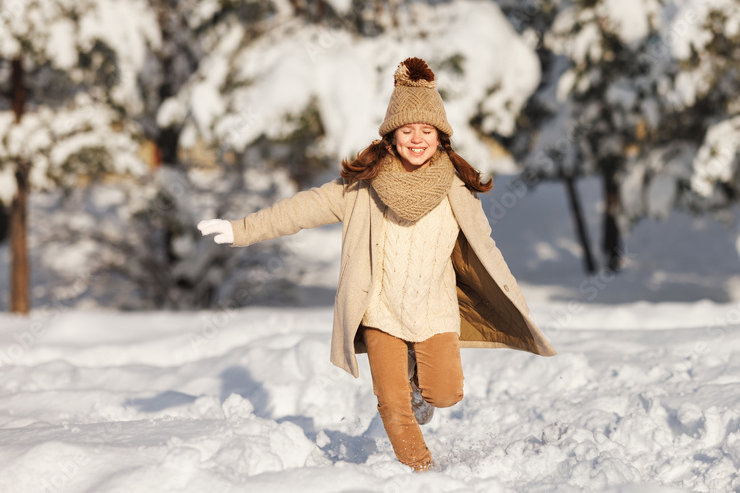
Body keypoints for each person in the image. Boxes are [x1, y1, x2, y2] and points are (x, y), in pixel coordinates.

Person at [198, 57, 556, 472]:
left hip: (434, 311)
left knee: (446, 394)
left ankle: (420, 387)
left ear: (441, 137)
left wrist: (515, 297)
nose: (417, 140)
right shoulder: (362, 187)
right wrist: (241, 230)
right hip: (380, 311)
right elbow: (301, 209)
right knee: (392, 402)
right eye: (408, 130)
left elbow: (486, 249)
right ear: (391, 136)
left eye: (427, 131)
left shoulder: (457, 189)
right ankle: (423, 472)